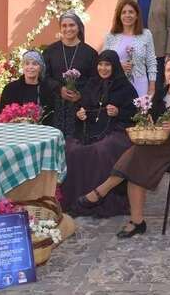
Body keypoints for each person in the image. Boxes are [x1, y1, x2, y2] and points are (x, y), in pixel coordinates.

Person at [76, 54, 170, 238]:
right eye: (168, 70)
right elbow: (152, 123)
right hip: (157, 142)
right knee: (137, 159)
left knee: (138, 156)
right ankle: (135, 220)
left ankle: (104, 192)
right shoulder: (161, 93)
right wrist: (147, 121)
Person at [61, 50, 138, 217]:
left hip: (118, 132)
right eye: (100, 64)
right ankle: (76, 201)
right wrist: (80, 114)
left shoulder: (125, 87)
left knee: (101, 150)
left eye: (107, 65)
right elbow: (82, 107)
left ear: (115, 66)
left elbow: (135, 115)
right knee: (71, 150)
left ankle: (99, 200)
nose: (103, 68)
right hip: (90, 130)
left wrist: (118, 112)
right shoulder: (91, 84)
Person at [42, 12, 98, 137]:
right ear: (60, 28)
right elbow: (44, 76)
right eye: (64, 26)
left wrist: (81, 95)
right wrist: (59, 88)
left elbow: (95, 80)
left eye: (72, 25)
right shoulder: (50, 51)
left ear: (78, 27)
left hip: (80, 107)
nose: (68, 29)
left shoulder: (90, 53)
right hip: (55, 107)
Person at [103, 0, 157, 97]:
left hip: (140, 83)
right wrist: (118, 66)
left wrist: (152, 86)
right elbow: (104, 61)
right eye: (124, 12)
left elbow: (151, 61)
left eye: (131, 12)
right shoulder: (111, 36)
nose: (127, 15)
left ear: (137, 16)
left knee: (138, 112)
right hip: (117, 84)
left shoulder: (146, 34)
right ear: (119, 16)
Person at [0, 50, 56, 125]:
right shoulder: (10, 88)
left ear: (40, 68)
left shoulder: (47, 89)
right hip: (14, 129)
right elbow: (4, 113)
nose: (30, 67)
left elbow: (50, 116)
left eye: (34, 64)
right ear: (23, 67)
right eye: (27, 64)